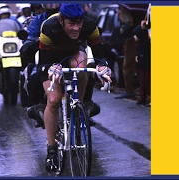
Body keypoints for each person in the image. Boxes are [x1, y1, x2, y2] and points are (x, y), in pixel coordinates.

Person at [37, 4, 112, 172]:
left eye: (79, 22)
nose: (76, 28)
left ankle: (79, 106)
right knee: (54, 100)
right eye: (71, 23)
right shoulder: (49, 27)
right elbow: (42, 61)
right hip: (51, 59)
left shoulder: (90, 25)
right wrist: (51, 69)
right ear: (62, 20)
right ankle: (51, 149)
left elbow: (100, 54)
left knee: (82, 64)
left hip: (74, 54)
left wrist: (102, 67)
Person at [20, 3, 102, 128]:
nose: (52, 4)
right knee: (35, 76)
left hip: (73, 54)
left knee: (86, 72)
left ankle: (84, 106)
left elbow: (95, 44)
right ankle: (39, 107)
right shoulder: (40, 21)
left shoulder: (73, 15)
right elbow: (31, 38)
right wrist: (34, 43)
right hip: (47, 55)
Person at [134, 20, 151, 106]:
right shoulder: (142, 36)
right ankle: (143, 97)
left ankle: (144, 97)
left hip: (146, 57)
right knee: (143, 79)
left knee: (146, 79)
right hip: (143, 58)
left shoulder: (145, 37)